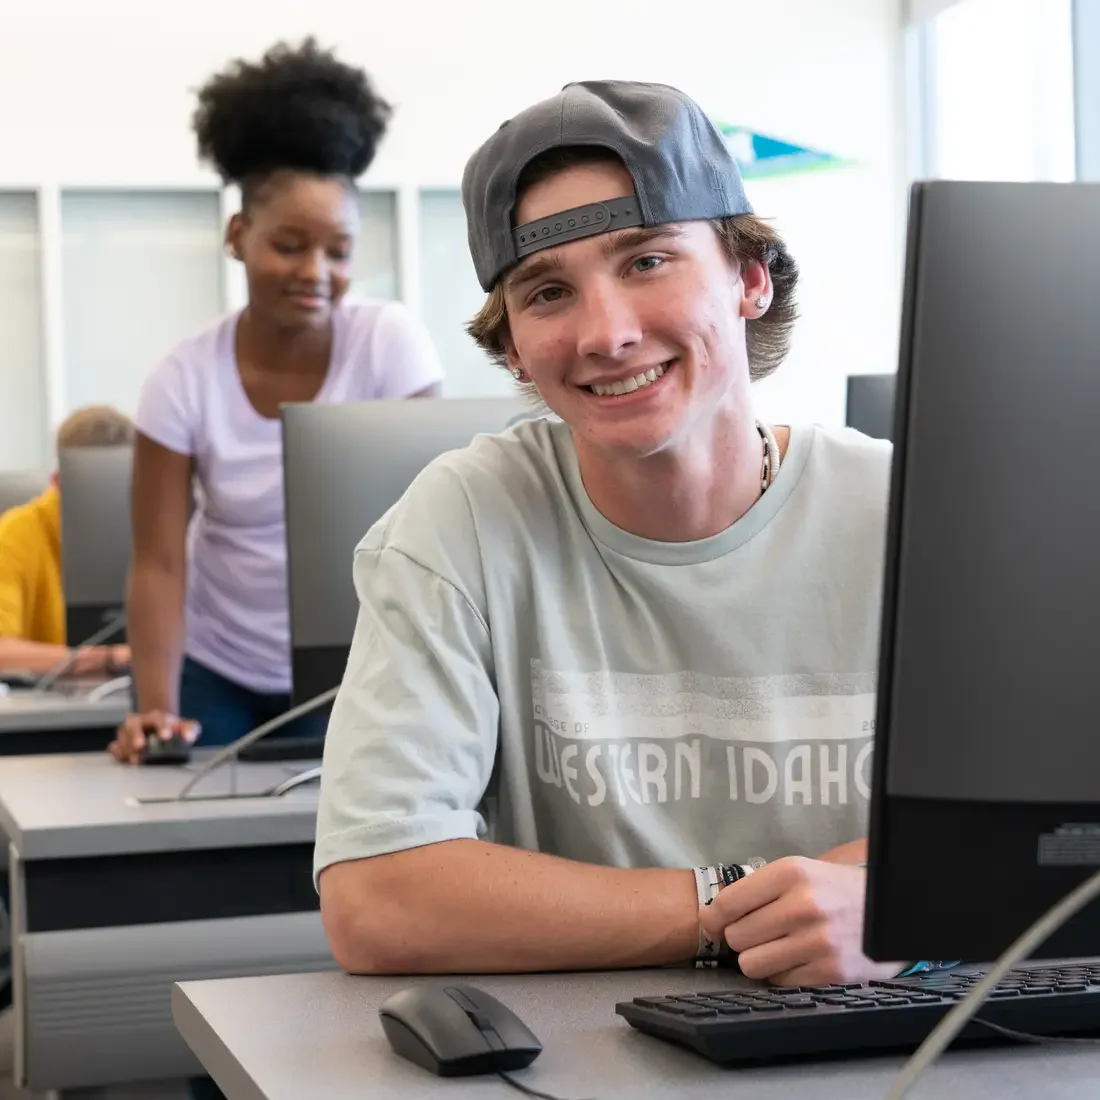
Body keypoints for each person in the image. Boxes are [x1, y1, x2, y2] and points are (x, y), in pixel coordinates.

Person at [313, 79, 933, 988]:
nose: (607, 333)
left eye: (647, 261)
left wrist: (891, 906)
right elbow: (379, 901)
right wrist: (748, 902)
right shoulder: (460, 522)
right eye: (549, 291)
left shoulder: (910, 514)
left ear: (749, 279)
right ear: (515, 349)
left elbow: (1057, 840)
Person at [109, 39, 444, 767]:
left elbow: (445, 527)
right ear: (238, 237)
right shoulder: (184, 376)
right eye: (289, 245)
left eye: (339, 250)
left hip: (361, 667)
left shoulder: (390, 346)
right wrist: (156, 708)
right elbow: (159, 562)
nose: (315, 272)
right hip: (216, 668)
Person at [0, 405, 133, 676]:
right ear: (58, 482)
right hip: (52, 709)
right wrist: (107, 658)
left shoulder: (155, 532)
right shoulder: (14, 536)